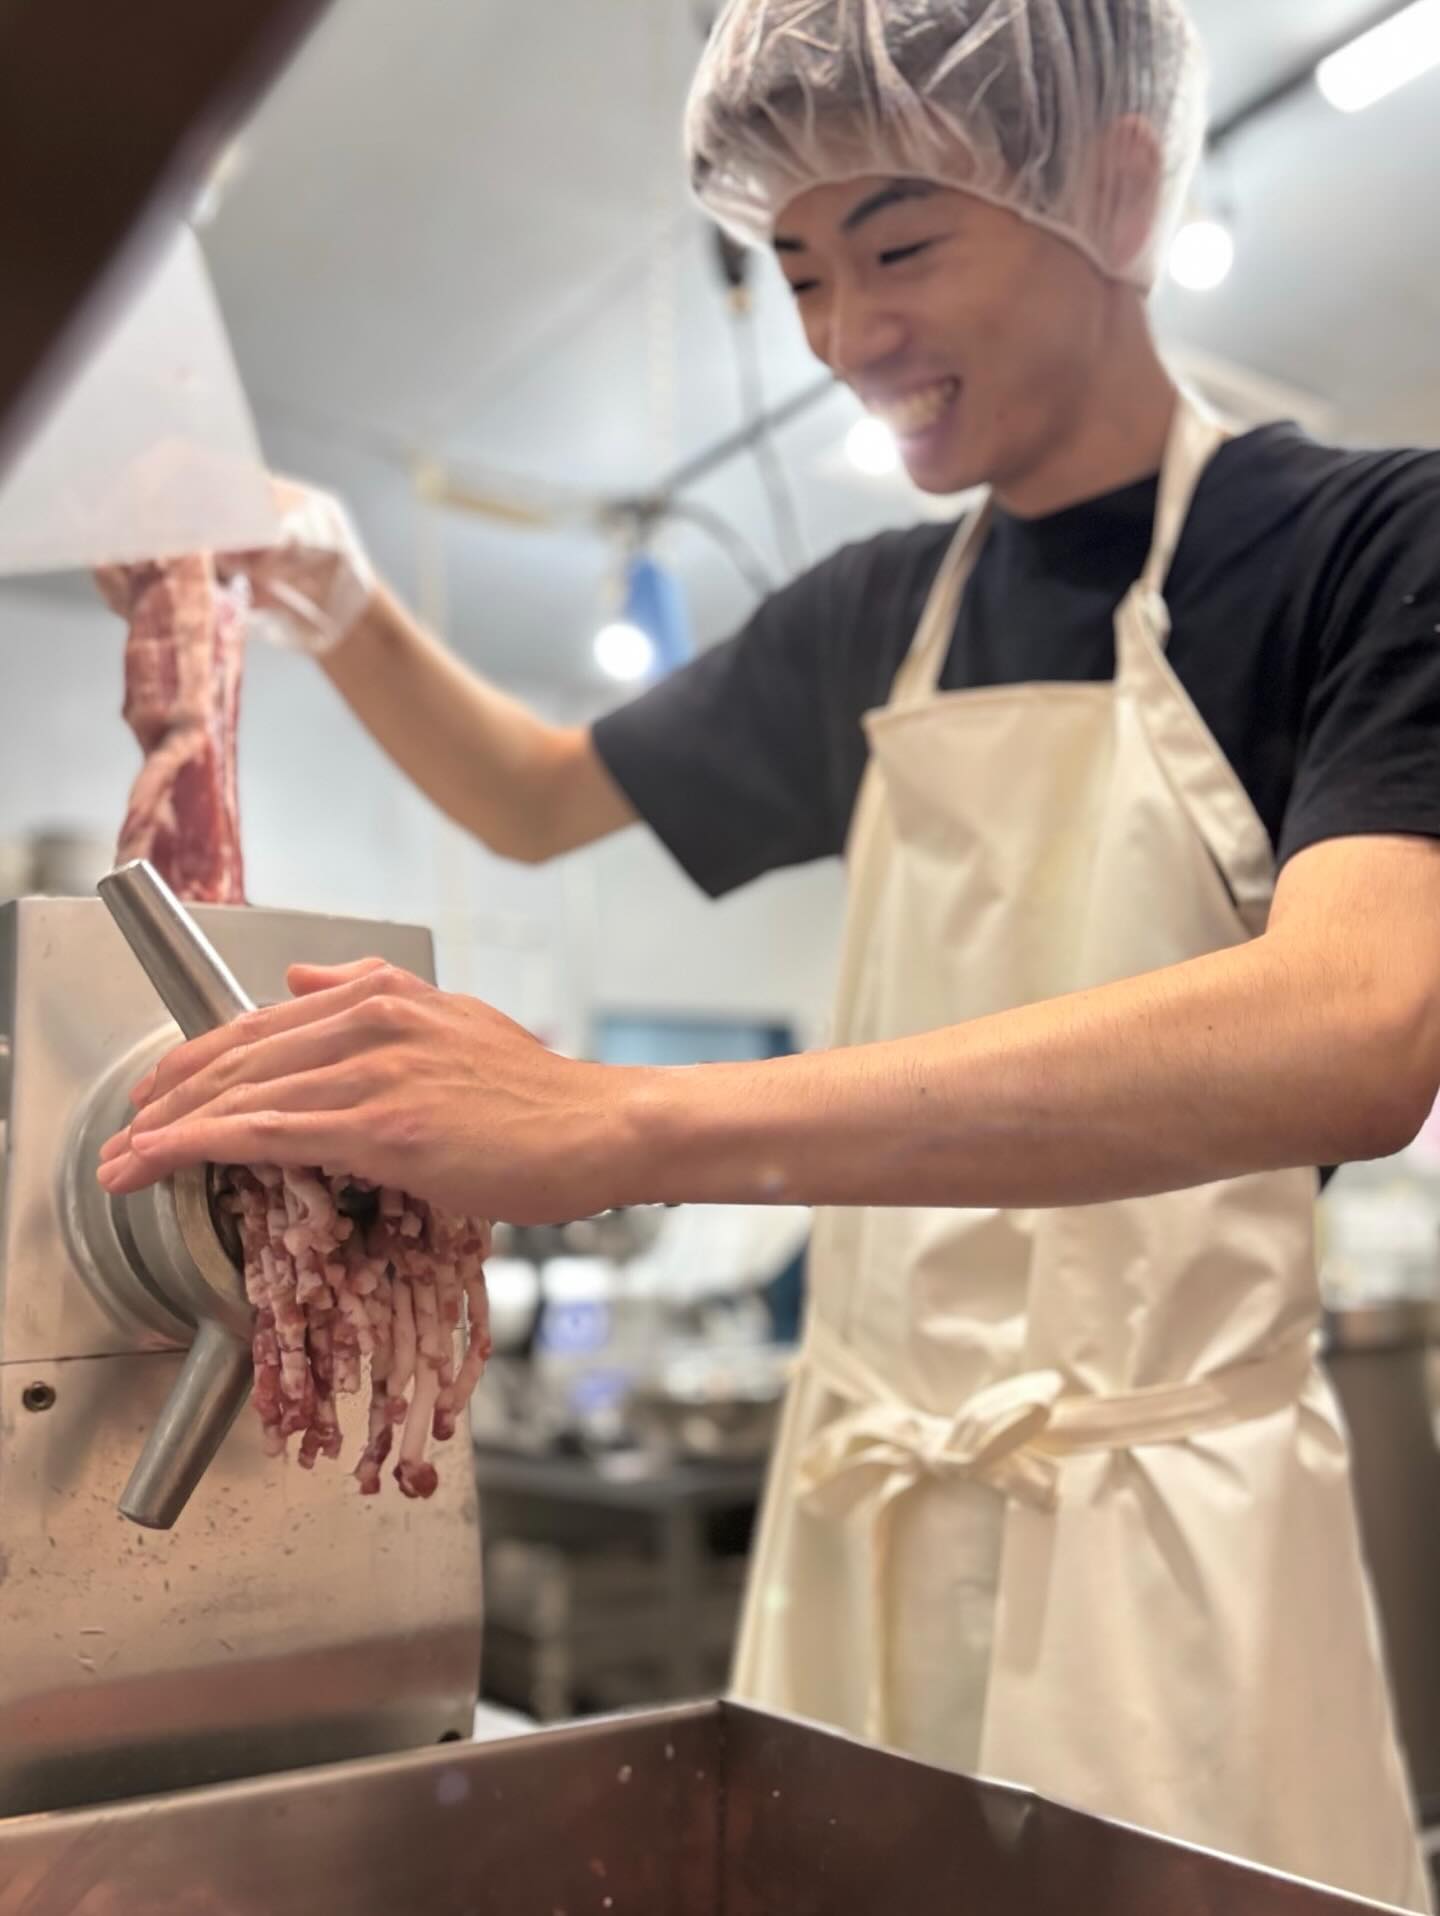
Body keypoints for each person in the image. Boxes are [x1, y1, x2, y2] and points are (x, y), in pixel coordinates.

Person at [100, 1, 1440, 1904]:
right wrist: (335, 592)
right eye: (797, 270)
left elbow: (1355, 1027)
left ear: (1120, 185)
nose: (841, 336)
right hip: (859, 1519)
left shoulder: (1363, 549)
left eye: (899, 245)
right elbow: (538, 796)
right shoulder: (872, 617)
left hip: (1167, 1552)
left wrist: (621, 1122)